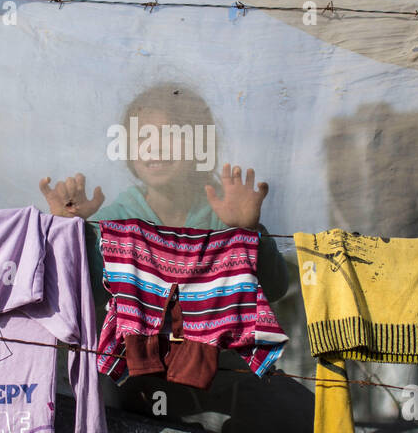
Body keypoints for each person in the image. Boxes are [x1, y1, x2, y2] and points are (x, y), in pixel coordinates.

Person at [38, 83, 288, 305]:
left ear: (200, 145)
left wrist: (249, 232)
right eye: (142, 137)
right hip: (136, 357)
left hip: (220, 357)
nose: (154, 146)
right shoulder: (113, 223)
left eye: (170, 135)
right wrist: (70, 231)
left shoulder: (225, 216)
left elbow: (273, 290)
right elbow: (87, 298)